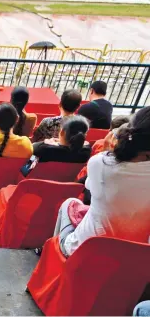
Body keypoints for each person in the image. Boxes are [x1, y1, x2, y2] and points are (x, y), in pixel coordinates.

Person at [53, 106, 150, 257]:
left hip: (83, 252)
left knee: (69, 202)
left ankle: (51, 254)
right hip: (132, 256)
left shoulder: (101, 163)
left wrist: (105, 150)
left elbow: (90, 189)